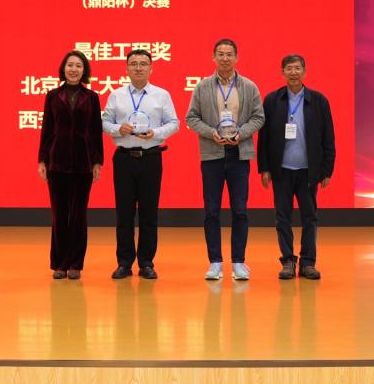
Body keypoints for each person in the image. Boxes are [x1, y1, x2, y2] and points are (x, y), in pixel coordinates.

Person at [184, 38, 265, 281]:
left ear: (237, 57)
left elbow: (259, 117)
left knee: (240, 210)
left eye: (229, 54)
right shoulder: (203, 86)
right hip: (212, 154)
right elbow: (191, 118)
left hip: (239, 154)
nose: (225, 58)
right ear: (213, 57)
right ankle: (215, 262)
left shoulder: (249, 86)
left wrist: (242, 133)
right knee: (211, 211)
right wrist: (211, 133)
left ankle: (239, 262)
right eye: (220, 54)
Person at [101, 48, 180, 280]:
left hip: (151, 158)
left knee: (148, 213)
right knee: (124, 213)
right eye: (133, 64)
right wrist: (118, 129)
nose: (138, 68)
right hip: (124, 158)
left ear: (151, 68)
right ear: (126, 68)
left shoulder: (161, 95)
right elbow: (104, 122)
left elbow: (174, 123)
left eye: (143, 64)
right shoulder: (116, 95)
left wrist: (156, 133)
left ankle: (146, 262)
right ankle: (124, 263)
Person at [257, 54, 337, 280]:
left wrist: (327, 170)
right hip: (281, 170)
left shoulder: (318, 101)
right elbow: (264, 138)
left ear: (305, 71)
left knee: (309, 217)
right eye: (289, 68)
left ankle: (308, 263)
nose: (293, 72)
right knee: (282, 218)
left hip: (308, 172)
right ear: (282, 72)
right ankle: (288, 261)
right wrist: (264, 168)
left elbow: (328, 138)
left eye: (297, 68)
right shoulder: (272, 100)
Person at [38, 50, 104, 280]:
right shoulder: (53, 96)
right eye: (70, 65)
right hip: (57, 161)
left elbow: (95, 132)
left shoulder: (92, 97)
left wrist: (97, 161)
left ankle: (75, 264)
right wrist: (42, 159)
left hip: (83, 163)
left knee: (78, 214)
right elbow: (47, 129)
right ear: (63, 69)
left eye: (78, 65)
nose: (74, 69)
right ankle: (59, 264)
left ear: (84, 70)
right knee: (59, 214)